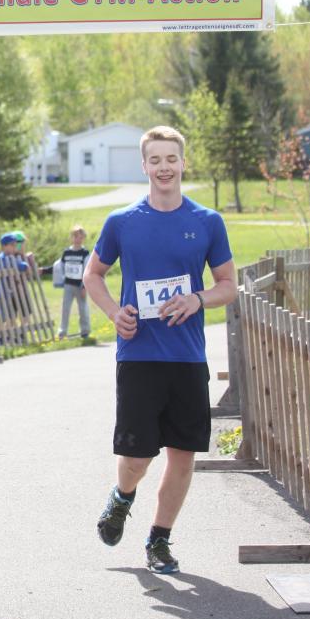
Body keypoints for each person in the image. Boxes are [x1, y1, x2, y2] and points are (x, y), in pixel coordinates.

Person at [84, 126, 235, 575]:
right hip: (139, 355)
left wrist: (197, 299)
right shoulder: (122, 222)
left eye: (172, 159)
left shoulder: (207, 222)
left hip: (187, 357)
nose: (164, 167)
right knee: (135, 458)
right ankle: (122, 497)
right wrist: (115, 313)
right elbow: (94, 275)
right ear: (144, 166)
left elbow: (229, 285)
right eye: (156, 160)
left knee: (182, 456)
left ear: (183, 163)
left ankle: (159, 539)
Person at [55, 225, 92, 339]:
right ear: (72, 237)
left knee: (83, 308)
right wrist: (44, 270)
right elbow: (60, 266)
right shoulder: (67, 252)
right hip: (68, 285)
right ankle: (62, 331)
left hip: (80, 286)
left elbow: (87, 269)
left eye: (81, 237)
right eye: (75, 236)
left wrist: (84, 287)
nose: (78, 239)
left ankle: (85, 330)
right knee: (65, 308)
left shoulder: (85, 253)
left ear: (83, 238)